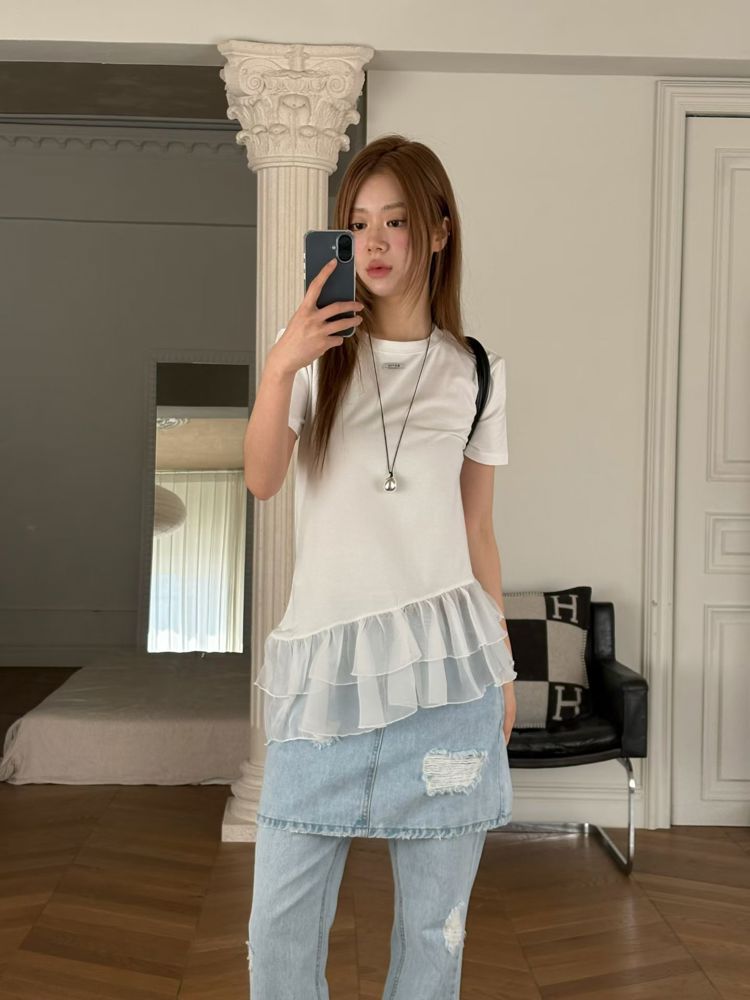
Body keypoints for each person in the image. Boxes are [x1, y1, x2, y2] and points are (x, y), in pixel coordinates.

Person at [243, 133, 516, 999]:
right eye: (358, 224)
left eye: (396, 221)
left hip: (451, 679)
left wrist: (503, 668)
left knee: (436, 935)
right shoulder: (313, 357)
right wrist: (281, 365)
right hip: (327, 675)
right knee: (279, 932)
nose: (375, 243)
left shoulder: (475, 372)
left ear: (437, 230)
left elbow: (477, 530)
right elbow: (261, 480)